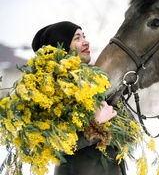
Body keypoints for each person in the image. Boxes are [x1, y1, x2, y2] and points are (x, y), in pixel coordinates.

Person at [31, 21, 126, 175]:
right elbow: (55, 145)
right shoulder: (48, 89)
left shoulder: (96, 81)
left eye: (84, 36)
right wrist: (96, 122)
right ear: (60, 47)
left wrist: (124, 124)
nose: (86, 41)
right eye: (77, 38)